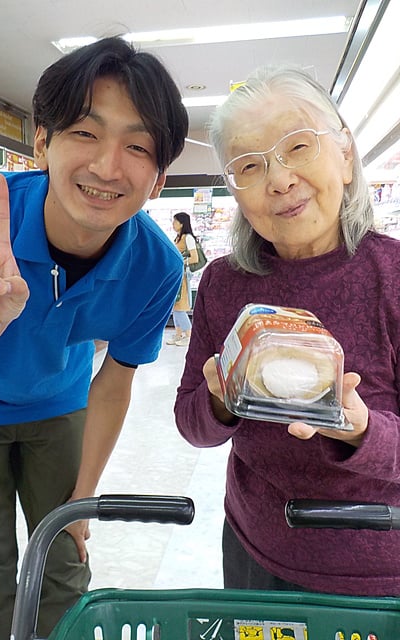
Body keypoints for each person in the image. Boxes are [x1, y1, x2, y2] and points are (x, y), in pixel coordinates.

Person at [0, 36, 188, 640]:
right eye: (85, 134)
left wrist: (82, 502)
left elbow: (116, 380)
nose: (107, 166)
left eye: (137, 145)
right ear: (42, 142)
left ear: (159, 177)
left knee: (64, 564)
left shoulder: (157, 266)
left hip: (62, 406)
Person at [174, 64, 400, 596]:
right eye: (249, 166)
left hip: (376, 566)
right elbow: (191, 422)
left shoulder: (391, 278)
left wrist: (361, 430)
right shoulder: (224, 285)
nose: (279, 179)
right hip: (256, 552)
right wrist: (225, 400)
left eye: (298, 146)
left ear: (344, 154)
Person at [165, 212, 199, 346]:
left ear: (182, 223)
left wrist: (180, 261)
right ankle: (178, 334)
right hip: (176, 276)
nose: (173, 224)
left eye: (175, 221)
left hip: (182, 278)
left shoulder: (188, 238)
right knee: (175, 307)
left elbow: (194, 258)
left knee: (179, 307)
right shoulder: (178, 238)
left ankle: (188, 335)